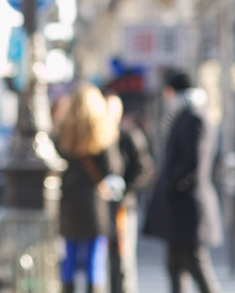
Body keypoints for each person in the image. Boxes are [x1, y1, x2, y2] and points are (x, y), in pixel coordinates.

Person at [143, 70, 223, 293]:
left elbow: (192, 161)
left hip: (187, 207)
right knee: (175, 267)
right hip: (181, 209)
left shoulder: (194, 117)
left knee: (196, 265)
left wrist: (170, 185)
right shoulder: (188, 115)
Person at [55, 83, 121, 293]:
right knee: (95, 262)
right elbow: (113, 168)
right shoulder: (102, 134)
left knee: (69, 261)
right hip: (95, 204)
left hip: (69, 203)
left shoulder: (62, 133)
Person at [103, 93, 154, 293]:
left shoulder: (129, 135)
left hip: (124, 206)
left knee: (124, 261)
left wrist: (124, 189)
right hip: (103, 208)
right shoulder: (99, 136)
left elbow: (145, 169)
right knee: (106, 261)